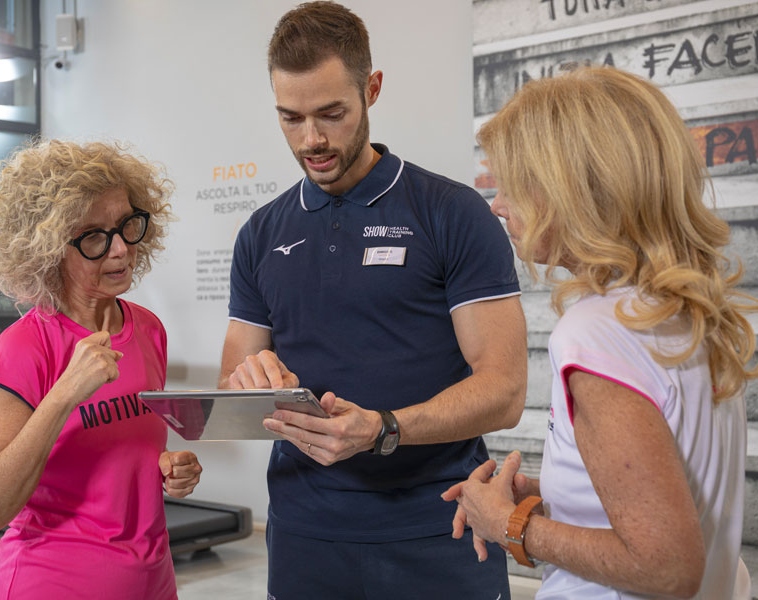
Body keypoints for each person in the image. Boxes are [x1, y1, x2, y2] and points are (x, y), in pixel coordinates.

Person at [219, 2, 528, 597]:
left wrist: (384, 428)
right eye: (291, 118)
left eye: (331, 114)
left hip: (442, 526)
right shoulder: (260, 233)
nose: (312, 139)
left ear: (372, 89)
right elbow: (233, 385)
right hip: (305, 536)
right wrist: (249, 383)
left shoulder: (452, 213)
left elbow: (505, 391)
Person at [443, 66, 756, 599]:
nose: (497, 205)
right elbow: (665, 496)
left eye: (513, 184)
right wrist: (552, 493)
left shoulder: (597, 332)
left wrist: (508, 524)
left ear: (572, 188)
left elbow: (667, 565)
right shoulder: (685, 311)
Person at [0, 139, 202, 599]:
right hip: (51, 581)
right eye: (93, 236)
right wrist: (65, 393)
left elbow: (118, 456)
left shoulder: (148, 329)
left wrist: (169, 470)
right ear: (49, 248)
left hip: (151, 579)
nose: (120, 250)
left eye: (126, 225)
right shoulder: (25, 346)